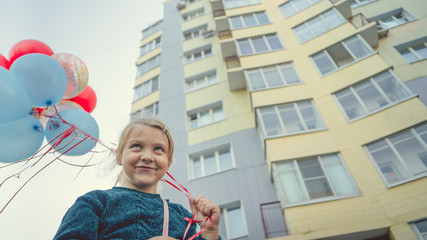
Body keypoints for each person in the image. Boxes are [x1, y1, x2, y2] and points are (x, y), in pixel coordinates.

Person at [54, 115, 221, 240]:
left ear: (168, 163)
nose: (148, 156)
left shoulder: (181, 216)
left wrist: (209, 233)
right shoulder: (95, 202)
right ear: (119, 156)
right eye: (137, 146)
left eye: (158, 149)